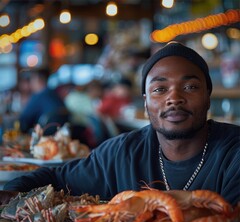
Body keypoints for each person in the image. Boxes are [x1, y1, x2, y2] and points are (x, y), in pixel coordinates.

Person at [1, 42, 240, 208]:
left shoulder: (234, 153)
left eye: (190, 87)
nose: (174, 98)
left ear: (208, 96)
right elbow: (52, 178)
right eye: (159, 89)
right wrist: (10, 194)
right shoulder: (120, 154)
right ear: (145, 103)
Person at [18, 68, 73, 135]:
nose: (30, 84)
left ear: (38, 80)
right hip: (61, 135)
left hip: (43, 136)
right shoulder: (54, 93)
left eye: (32, 80)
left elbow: (24, 119)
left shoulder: (39, 96)